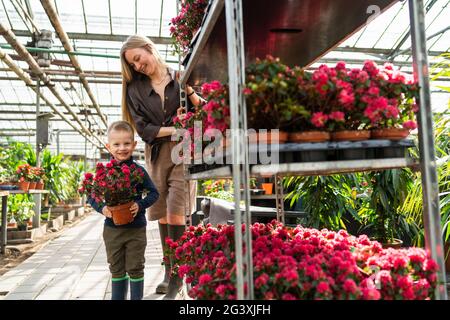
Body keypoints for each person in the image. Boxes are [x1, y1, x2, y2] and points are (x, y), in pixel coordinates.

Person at [120, 35, 203, 300]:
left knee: (177, 213)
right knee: (164, 215)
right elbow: (144, 129)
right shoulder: (135, 90)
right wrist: (176, 129)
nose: (137, 66)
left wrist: (189, 91)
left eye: (137, 58)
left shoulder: (181, 75)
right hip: (156, 155)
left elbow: (204, 110)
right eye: (132, 65)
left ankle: (178, 280)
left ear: (148, 48)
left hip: (183, 153)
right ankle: (170, 272)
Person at [87, 120, 159, 300]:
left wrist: (140, 205)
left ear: (134, 145)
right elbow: (92, 196)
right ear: (108, 146)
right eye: (116, 144)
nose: (122, 148)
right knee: (116, 268)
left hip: (136, 229)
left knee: (135, 267)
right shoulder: (104, 173)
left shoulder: (138, 171)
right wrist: (102, 208)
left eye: (127, 143)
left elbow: (153, 193)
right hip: (112, 229)